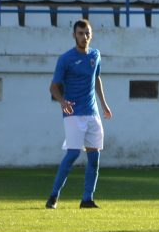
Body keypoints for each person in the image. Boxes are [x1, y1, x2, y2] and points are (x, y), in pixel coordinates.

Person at [46, 19, 112, 209]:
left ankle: (87, 199)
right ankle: (53, 196)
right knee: (73, 153)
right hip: (73, 113)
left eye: (87, 33)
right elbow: (53, 87)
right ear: (74, 35)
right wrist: (62, 101)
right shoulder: (65, 59)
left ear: (91, 35)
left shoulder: (95, 55)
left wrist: (104, 105)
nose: (84, 37)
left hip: (93, 113)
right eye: (81, 33)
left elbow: (96, 78)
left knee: (94, 158)